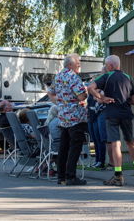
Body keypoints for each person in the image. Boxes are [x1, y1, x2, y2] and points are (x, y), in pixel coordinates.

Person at [88, 55, 134, 186]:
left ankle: (118, 175)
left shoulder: (107, 76)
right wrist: (125, 99)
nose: (106, 67)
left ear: (110, 66)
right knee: (130, 142)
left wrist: (102, 97)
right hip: (126, 113)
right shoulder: (128, 77)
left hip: (111, 114)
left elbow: (90, 88)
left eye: (106, 65)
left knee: (115, 144)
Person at [48, 53, 88, 186]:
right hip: (75, 117)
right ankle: (71, 176)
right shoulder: (73, 76)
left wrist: (61, 101)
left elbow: (51, 93)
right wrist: (85, 93)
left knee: (63, 147)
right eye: (78, 63)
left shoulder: (58, 76)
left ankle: (61, 177)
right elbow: (82, 96)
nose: (79, 65)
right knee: (74, 147)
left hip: (62, 117)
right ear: (70, 65)